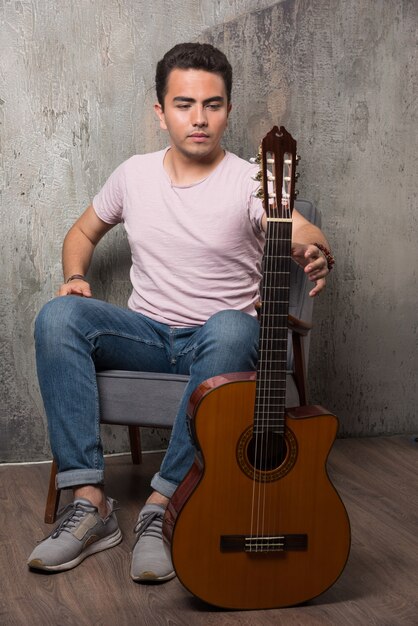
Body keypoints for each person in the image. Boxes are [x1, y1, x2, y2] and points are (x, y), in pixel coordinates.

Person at [28, 43, 333, 581]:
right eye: (185, 103)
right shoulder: (134, 174)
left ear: (228, 111)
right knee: (57, 317)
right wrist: (77, 277)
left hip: (220, 343)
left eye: (213, 105)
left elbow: (295, 227)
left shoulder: (250, 179)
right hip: (146, 333)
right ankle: (88, 502)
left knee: (234, 324)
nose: (199, 118)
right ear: (160, 112)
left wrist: (310, 245)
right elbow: (82, 232)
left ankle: (162, 506)